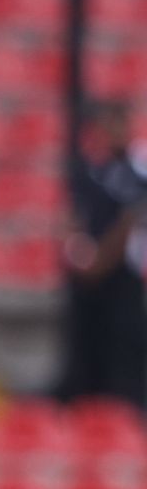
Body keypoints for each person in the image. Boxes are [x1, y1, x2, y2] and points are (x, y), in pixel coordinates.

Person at [60, 99, 146, 407]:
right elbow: (77, 215)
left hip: (122, 280)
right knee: (88, 357)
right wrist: (78, 250)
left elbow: (129, 222)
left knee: (124, 365)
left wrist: (99, 261)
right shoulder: (93, 168)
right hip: (90, 282)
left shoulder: (138, 169)